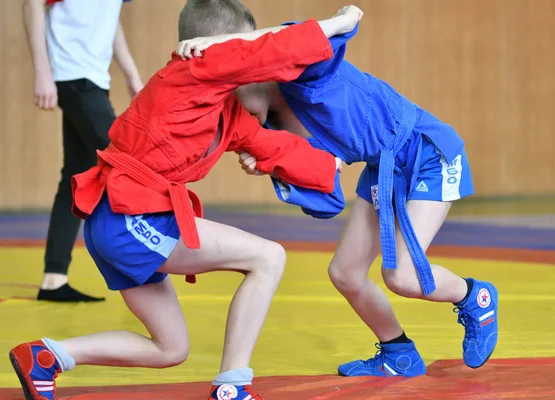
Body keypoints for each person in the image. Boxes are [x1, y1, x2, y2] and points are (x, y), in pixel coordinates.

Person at [9, 2, 361, 399]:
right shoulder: (190, 73)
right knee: (268, 257)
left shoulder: (226, 110)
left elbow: (272, 146)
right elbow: (269, 48)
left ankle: (48, 356)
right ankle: (233, 387)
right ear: (219, 47)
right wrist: (339, 25)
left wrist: (331, 165)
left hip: (123, 221)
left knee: (170, 348)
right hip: (129, 217)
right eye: (243, 50)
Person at [178, 14, 499, 378]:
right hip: (384, 167)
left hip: (428, 151)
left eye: (233, 88)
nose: (235, 112)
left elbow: (321, 33)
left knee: (403, 277)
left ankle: (476, 297)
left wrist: (227, 44)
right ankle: (398, 353)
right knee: (346, 273)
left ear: (250, 63)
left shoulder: (301, 73)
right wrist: (274, 166)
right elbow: (327, 203)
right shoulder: (270, 129)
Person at [23, 0, 144, 302]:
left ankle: (54, 278)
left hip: (94, 78)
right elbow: (32, 3)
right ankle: (141, 270)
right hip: (71, 74)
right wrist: (42, 71)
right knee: (129, 163)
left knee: (76, 177)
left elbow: (109, 17)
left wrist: (131, 75)